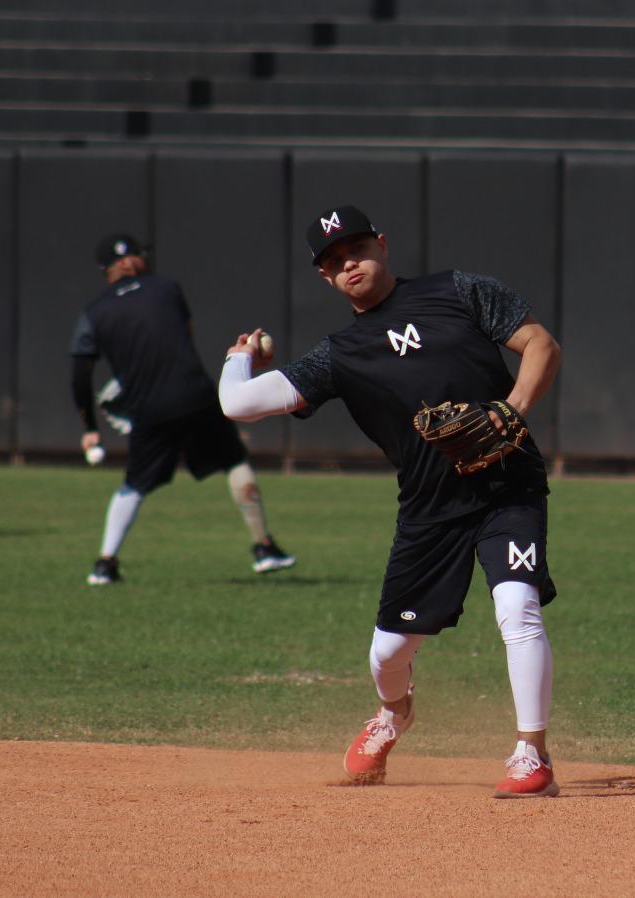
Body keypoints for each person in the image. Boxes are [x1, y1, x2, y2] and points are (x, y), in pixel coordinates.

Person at [217, 205, 563, 798]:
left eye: (354, 247)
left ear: (381, 244)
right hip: (429, 509)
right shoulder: (339, 354)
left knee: (517, 608)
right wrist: (238, 357)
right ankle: (393, 713)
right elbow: (237, 405)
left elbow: (539, 345)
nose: (346, 261)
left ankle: (532, 753)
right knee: (389, 652)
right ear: (324, 278)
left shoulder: (459, 291)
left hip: (508, 485)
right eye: (331, 260)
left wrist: (511, 412)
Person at [69, 233, 297, 586]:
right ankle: (263, 548)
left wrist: (89, 428)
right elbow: (181, 338)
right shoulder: (167, 289)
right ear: (135, 261)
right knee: (234, 461)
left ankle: (104, 562)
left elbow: (80, 373)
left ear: (107, 270)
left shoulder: (95, 312)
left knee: (134, 484)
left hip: (148, 407)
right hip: (194, 396)